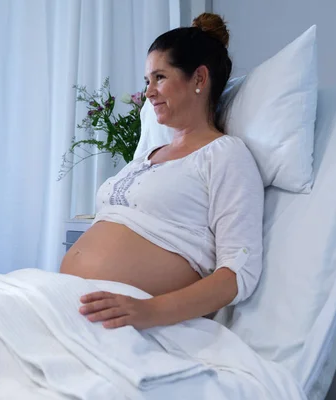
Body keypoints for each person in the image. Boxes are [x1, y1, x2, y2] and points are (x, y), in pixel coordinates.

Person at [60, 13, 264, 330]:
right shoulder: (145, 158)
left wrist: (149, 311)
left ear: (199, 79)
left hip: (134, 326)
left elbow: (238, 273)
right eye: (148, 81)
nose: (149, 92)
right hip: (70, 308)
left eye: (160, 78)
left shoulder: (224, 155)